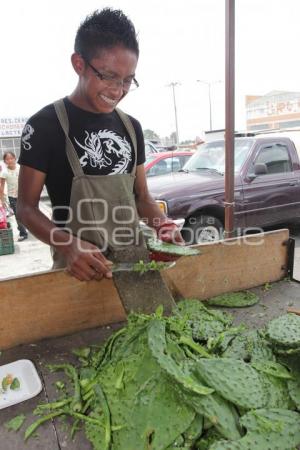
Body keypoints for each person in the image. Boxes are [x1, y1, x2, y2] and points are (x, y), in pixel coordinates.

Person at [17, 8, 184, 282]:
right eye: (107, 76)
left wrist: (162, 224)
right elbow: (25, 207)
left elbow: (142, 198)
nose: (118, 90)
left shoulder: (132, 127)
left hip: (134, 271)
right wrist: (67, 244)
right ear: (78, 64)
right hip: (77, 273)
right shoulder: (45, 125)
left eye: (128, 80)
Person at [0, 151, 28, 241]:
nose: (10, 160)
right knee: (18, 215)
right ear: (4, 161)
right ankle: (23, 233)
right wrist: (2, 200)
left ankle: (30, 227)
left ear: (15, 158)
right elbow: (2, 186)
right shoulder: (4, 172)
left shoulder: (21, 168)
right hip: (12, 197)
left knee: (27, 213)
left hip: (24, 195)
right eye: (7, 159)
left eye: (11, 158)